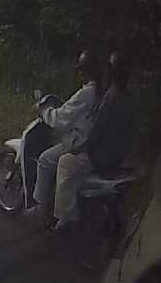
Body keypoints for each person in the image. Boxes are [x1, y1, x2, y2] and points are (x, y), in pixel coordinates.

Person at [50, 51, 137, 230]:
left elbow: (97, 132)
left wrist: (79, 149)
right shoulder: (128, 97)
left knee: (65, 162)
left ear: (112, 72)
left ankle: (65, 218)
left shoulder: (110, 96)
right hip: (119, 155)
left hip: (102, 156)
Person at [31, 50, 102, 215]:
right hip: (89, 141)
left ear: (84, 71)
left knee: (45, 159)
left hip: (79, 142)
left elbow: (62, 118)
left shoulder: (87, 93)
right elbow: (72, 111)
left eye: (81, 70)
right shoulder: (100, 90)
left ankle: (41, 208)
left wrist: (44, 112)